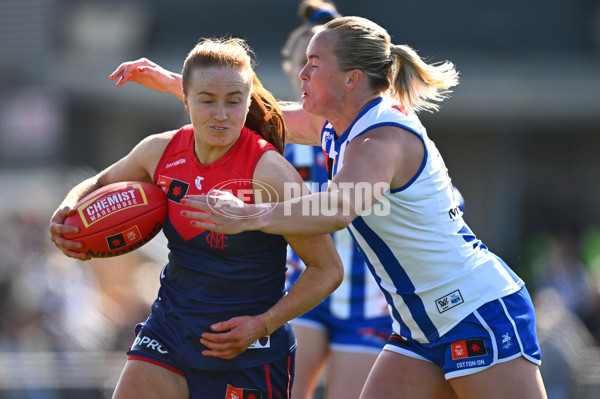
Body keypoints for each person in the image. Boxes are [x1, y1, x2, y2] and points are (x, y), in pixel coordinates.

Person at [109, 16, 547, 399]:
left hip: (477, 311)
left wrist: (250, 216)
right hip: (420, 327)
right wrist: (178, 85)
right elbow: (258, 114)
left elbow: (339, 209)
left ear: (352, 79)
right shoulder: (339, 126)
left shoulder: (381, 140)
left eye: (314, 66)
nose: (301, 73)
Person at [50, 37, 343, 399]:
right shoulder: (159, 152)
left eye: (233, 102)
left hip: (247, 351)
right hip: (170, 332)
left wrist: (261, 325)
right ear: (185, 98)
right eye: (207, 101)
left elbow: (328, 269)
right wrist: (69, 207)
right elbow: (98, 183)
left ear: (247, 102)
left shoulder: (270, 173)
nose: (221, 114)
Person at [281, 2, 392, 398]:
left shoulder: (374, 136)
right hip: (307, 287)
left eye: (319, 64)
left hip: (368, 300)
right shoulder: (280, 140)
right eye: (304, 65)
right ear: (292, 71)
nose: (310, 76)